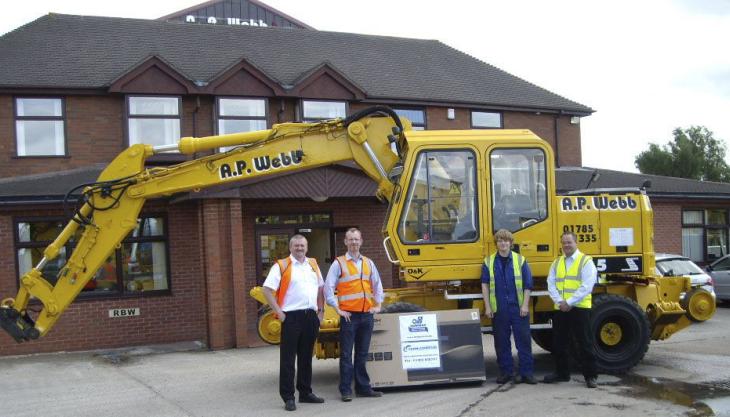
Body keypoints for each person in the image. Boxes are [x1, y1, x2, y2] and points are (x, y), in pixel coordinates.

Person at [262, 234, 326, 411]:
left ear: (307, 247)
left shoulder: (313, 264)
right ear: (290, 248)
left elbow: (321, 288)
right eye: (296, 245)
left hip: (310, 316)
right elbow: (266, 290)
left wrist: (321, 311)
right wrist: (279, 313)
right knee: (288, 360)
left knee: (306, 358)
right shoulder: (281, 266)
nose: (300, 248)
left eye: (302, 245)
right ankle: (288, 397)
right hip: (291, 317)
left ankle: (305, 393)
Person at [325, 227, 384, 402]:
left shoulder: (368, 262)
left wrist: (378, 305)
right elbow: (328, 288)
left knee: (362, 354)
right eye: (350, 239)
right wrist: (337, 309)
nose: (354, 242)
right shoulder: (339, 263)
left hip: (366, 315)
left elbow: (377, 285)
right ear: (345, 242)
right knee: (345, 355)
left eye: (356, 239)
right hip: (349, 316)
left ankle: (363, 388)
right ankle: (345, 390)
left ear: (361, 241)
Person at [543, 231, 599, 388]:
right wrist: (560, 301)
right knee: (559, 343)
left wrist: (569, 302)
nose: (566, 245)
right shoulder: (557, 262)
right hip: (561, 308)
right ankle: (562, 374)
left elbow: (587, 286)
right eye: (564, 243)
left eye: (569, 242)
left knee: (585, 342)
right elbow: (551, 283)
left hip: (579, 308)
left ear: (576, 243)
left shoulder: (586, 262)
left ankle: (591, 376)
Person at [481, 229, 536, 385]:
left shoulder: (521, 260)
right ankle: (507, 373)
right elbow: (484, 285)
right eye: (499, 240)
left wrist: (525, 305)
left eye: (506, 240)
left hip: (518, 308)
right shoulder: (488, 262)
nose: (503, 243)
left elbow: (528, 285)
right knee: (501, 342)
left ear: (511, 243)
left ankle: (527, 373)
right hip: (499, 308)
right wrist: (488, 307)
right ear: (496, 243)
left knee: (523, 341)